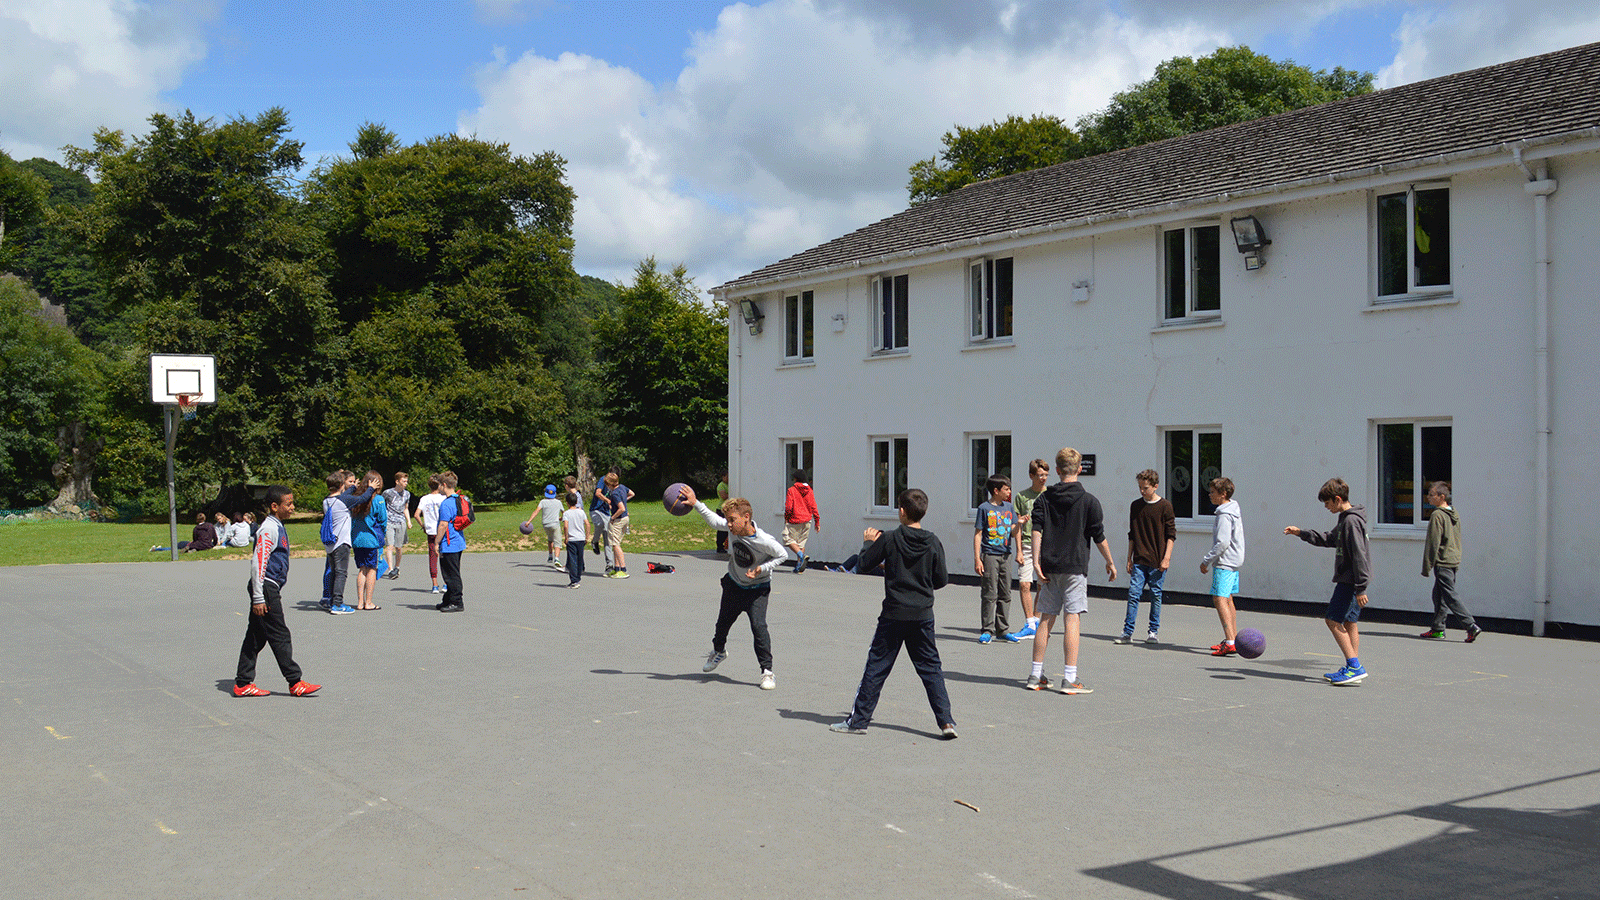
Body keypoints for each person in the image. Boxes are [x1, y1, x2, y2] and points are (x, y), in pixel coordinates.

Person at [830, 487, 957, 739]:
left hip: (894, 613)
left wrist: (868, 542)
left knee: (877, 666)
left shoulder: (889, 538)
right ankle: (946, 722)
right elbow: (941, 578)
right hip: (922, 613)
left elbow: (863, 564)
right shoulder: (932, 541)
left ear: (901, 511)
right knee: (931, 669)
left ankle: (859, 721)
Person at [1027, 447, 1116, 694]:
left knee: (1045, 617)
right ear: (1079, 469)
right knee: (1072, 618)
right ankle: (1069, 678)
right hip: (1075, 566)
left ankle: (1036, 675)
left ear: (1056, 470)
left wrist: (1036, 562)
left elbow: (1036, 529)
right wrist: (1110, 561)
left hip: (1048, 566)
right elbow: (1098, 535)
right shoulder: (1089, 501)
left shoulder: (1044, 498)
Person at [680, 485, 787, 690]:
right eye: (727, 520)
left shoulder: (765, 541)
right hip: (734, 585)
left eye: (732, 520)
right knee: (722, 625)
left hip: (758, 589)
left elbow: (782, 555)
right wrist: (695, 503)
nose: (728, 525)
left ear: (746, 517)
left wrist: (762, 568)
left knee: (759, 627)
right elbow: (714, 521)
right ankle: (719, 652)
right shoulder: (732, 527)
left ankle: (767, 672)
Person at [232, 484, 320, 698]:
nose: (292, 507)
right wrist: (259, 596)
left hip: (268, 586)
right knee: (280, 634)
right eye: (288, 504)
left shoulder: (277, 525)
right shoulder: (268, 528)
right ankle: (295, 681)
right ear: (274, 506)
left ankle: (243, 683)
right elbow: (258, 563)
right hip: (265, 587)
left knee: (256, 636)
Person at [1284, 477, 1372, 685]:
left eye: (1327, 503)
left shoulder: (1351, 521)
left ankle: (1354, 667)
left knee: (1332, 620)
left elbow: (1360, 555)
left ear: (1338, 499)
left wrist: (1361, 587)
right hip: (1352, 581)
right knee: (1350, 622)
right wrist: (1302, 533)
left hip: (1350, 581)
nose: (1326, 507)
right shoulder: (1346, 519)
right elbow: (1329, 539)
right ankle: (1353, 668)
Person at [1118, 469, 1176, 644]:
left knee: (1156, 595)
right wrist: (1129, 557)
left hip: (1158, 560)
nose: (1142, 491)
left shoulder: (1165, 506)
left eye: (1146, 488)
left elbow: (1171, 535)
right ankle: (1127, 632)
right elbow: (1132, 534)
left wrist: (1167, 558)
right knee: (1133, 594)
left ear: (1155, 486)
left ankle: (1153, 632)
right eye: (1140, 488)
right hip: (1139, 560)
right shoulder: (1135, 506)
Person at [1419, 481, 1480, 642]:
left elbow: (1433, 542)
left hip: (1443, 561)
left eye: (1432, 495)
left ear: (1442, 497)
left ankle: (1470, 625)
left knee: (1450, 595)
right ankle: (1438, 629)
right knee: (1438, 595)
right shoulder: (1454, 513)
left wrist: (1427, 566)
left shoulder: (1437, 515)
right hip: (1453, 559)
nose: (1428, 498)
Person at [1199, 477, 1246, 656]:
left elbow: (1222, 543)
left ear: (1223, 494)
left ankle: (1230, 641)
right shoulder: (1233, 508)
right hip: (1234, 561)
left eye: (1213, 492)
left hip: (1225, 562)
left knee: (1219, 598)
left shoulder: (1225, 515)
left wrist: (1206, 561)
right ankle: (1233, 639)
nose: (1210, 495)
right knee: (1228, 599)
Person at [1004, 459, 1049, 642]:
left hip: (1046, 546)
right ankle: (1029, 623)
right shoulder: (1021, 497)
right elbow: (1016, 527)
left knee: (1042, 585)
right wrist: (1019, 550)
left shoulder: (1050, 496)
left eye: (1046, 475)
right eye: (1040, 475)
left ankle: (1036, 622)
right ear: (1031, 476)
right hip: (1028, 545)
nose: (1043, 478)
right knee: (1024, 584)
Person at [320, 469, 373, 615]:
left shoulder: (327, 500)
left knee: (334, 573)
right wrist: (371, 488)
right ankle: (338, 604)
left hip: (330, 544)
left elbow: (344, 496)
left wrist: (354, 487)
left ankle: (331, 600)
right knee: (341, 573)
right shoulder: (344, 500)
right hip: (341, 543)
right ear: (342, 485)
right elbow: (362, 498)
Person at [973, 473, 1015, 644]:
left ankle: (1003, 629)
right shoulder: (984, 508)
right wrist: (978, 559)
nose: (1009, 492)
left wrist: (1019, 523)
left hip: (1006, 554)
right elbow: (978, 534)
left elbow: (1012, 530)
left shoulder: (1009, 507)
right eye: (1006, 489)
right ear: (996, 491)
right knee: (990, 593)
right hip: (990, 554)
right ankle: (987, 630)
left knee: (1006, 593)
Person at [349, 470, 387, 611]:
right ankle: (368, 602)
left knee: (362, 569)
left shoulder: (356, 499)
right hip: (372, 540)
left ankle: (359, 602)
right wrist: (382, 535)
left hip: (358, 539)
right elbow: (383, 520)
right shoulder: (379, 499)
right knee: (372, 569)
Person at [435, 471, 467, 612]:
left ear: (444, 485)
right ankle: (447, 600)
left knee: (451, 575)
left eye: (439, 486)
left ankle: (457, 602)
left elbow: (443, 525)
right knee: (451, 572)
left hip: (449, 544)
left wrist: (436, 542)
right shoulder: (459, 499)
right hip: (458, 542)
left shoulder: (446, 504)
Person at [782, 470, 822, 573]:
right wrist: (817, 521)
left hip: (795, 520)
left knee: (787, 538)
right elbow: (814, 506)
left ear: (796, 479)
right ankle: (799, 566)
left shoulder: (792, 490)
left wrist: (786, 517)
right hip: (807, 520)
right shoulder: (810, 490)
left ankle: (801, 556)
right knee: (801, 544)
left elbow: (789, 507)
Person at [415, 474, 445, 594]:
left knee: (432, 557)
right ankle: (446, 583)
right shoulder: (443, 498)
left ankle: (434, 584)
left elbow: (416, 514)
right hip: (441, 530)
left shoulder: (424, 499)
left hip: (430, 530)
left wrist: (423, 525)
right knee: (444, 556)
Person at [603, 471, 635, 578]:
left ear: (610, 484)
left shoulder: (615, 493)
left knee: (615, 545)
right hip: (626, 519)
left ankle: (623, 569)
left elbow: (621, 508)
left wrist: (612, 517)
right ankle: (617, 569)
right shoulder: (622, 487)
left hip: (618, 520)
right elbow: (632, 493)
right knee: (616, 543)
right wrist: (624, 500)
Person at [381, 472, 412, 580]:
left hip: (401, 522)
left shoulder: (407, 494)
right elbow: (381, 504)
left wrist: (408, 521)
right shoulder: (388, 493)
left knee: (399, 547)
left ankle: (397, 567)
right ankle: (390, 569)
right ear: (397, 481)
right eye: (404, 481)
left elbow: (405, 508)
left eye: (406, 481)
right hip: (389, 521)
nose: (406, 483)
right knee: (390, 546)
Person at [525, 484, 564, 568]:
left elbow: (536, 511)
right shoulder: (558, 502)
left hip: (546, 525)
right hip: (555, 524)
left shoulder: (542, 502)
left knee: (550, 539)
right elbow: (564, 513)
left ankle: (550, 555)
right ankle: (556, 558)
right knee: (557, 541)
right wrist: (561, 518)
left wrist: (529, 521)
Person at [561, 491, 591, 588]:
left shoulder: (567, 513)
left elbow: (566, 526)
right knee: (579, 558)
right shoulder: (581, 512)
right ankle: (578, 577)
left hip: (572, 539)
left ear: (567, 503)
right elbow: (587, 524)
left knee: (572, 559)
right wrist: (587, 536)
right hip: (581, 538)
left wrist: (566, 537)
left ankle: (574, 580)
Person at [714, 472, 731, 555]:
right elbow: (723, 496)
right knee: (722, 529)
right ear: (723, 477)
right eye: (727, 476)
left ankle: (726, 545)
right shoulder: (721, 486)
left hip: (729, 509)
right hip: (721, 509)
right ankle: (719, 546)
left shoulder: (730, 484)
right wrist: (732, 493)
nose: (728, 478)